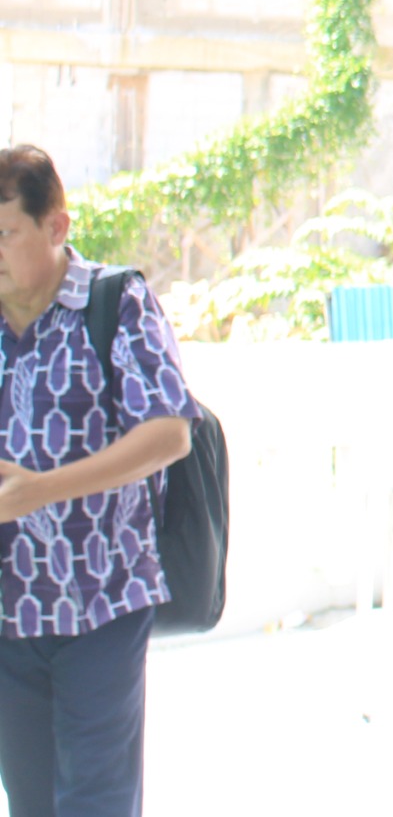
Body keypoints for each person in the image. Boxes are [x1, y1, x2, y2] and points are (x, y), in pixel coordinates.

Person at [0, 144, 198, 817]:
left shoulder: (114, 302)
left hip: (102, 603)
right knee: (29, 803)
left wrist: (40, 490)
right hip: (9, 610)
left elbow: (170, 432)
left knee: (95, 801)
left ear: (57, 226)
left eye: (5, 233)